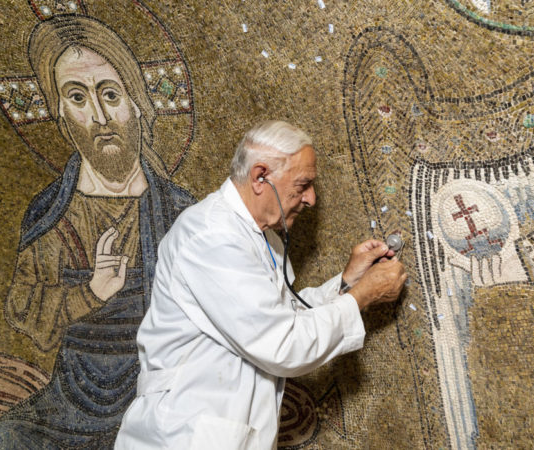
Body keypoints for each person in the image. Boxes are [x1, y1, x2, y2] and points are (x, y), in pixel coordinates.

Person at [115, 120, 407, 449]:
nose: (310, 198)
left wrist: (347, 282)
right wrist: (362, 297)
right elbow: (284, 344)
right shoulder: (211, 237)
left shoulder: (261, 237)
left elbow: (284, 315)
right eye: (303, 184)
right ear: (260, 177)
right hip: (182, 436)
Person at [0, 15, 196, 449]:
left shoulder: (181, 213)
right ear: (60, 112)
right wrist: (92, 292)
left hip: (157, 396)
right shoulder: (51, 214)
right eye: (77, 97)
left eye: (110, 95)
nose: (98, 117)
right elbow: (23, 308)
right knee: (4, 441)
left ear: (136, 103)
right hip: (70, 403)